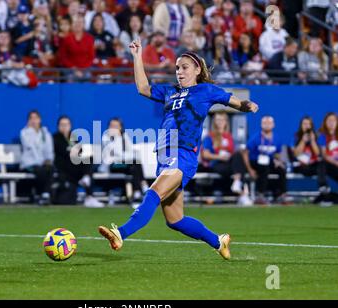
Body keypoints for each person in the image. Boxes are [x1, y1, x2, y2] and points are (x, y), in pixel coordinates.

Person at [98, 38, 259, 260]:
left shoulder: (206, 90)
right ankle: (218, 241)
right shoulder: (169, 92)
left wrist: (247, 105)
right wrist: (137, 57)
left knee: (153, 192)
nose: (179, 72)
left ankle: (120, 234)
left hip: (183, 154)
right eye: (176, 68)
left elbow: (232, 100)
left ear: (197, 69)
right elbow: (143, 88)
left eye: (184, 67)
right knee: (175, 220)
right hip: (164, 155)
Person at [201, 112, 252, 206]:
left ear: (226, 122)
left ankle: (238, 185)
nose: (220, 122)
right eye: (218, 120)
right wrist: (220, 157)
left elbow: (233, 154)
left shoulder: (229, 137)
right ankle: (243, 194)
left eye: (222, 120)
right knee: (240, 169)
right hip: (217, 163)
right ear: (214, 122)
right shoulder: (210, 136)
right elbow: (205, 154)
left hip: (229, 164)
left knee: (238, 155)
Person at [53, 116, 105, 207]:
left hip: (75, 167)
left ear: (70, 126)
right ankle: (87, 179)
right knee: (85, 163)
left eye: (67, 124)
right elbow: (63, 152)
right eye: (62, 124)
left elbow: (80, 150)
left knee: (88, 156)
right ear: (58, 126)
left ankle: (88, 187)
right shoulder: (55, 138)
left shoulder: (73, 137)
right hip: (64, 168)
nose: (64, 127)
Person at [101, 117, 149, 204]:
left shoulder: (124, 136)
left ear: (120, 127)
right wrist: (126, 156)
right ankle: (142, 186)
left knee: (134, 165)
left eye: (116, 126)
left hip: (125, 164)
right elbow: (115, 154)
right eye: (111, 126)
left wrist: (126, 157)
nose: (113, 128)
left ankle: (137, 192)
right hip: (112, 165)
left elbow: (130, 151)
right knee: (134, 162)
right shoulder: (106, 138)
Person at [241, 115, 287, 204]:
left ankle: (282, 195)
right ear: (261, 125)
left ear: (273, 125)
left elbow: (277, 153)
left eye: (269, 123)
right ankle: (260, 195)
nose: (267, 125)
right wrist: (249, 169)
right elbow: (245, 152)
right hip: (255, 161)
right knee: (264, 168)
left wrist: (278, 161)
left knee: (281, 169)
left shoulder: (276, 138)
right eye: (264, 123)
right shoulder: (255, 138)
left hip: (269, 161)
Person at [20, 110, 54, 205]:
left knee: (50, 168)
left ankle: (46, 195)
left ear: (40, 119)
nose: (34, 121)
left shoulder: (46, 133)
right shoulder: (24, 133)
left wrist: (48, 159)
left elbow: (49, 149)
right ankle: (41, 194)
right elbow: (29, 145)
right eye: (31, 118)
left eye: (36, 118)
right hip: (29, 163)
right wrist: (31, 130)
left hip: (42, 163)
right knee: (40, 170)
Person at [291, 116, 328, 192]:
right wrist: (303, 141)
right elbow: (295, 154)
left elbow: (318, 154)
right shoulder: (296, 136)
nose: (306, 126)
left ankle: (323, 186)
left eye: (308, 124)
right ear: (301, 125)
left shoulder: (317, 137)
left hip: (313, 166)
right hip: (301, 166)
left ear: (311, 126)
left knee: (322, 163)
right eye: (304, 124)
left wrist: (312, 141)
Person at [317, 112, 338, 191]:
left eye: (334, 120)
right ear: (325, 123)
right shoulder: (322, 136)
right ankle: (323, 187)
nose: (331, 123)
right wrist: (336, 163)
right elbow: (324, 154)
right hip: (330, 165)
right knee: (322, 163)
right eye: (329, 120)